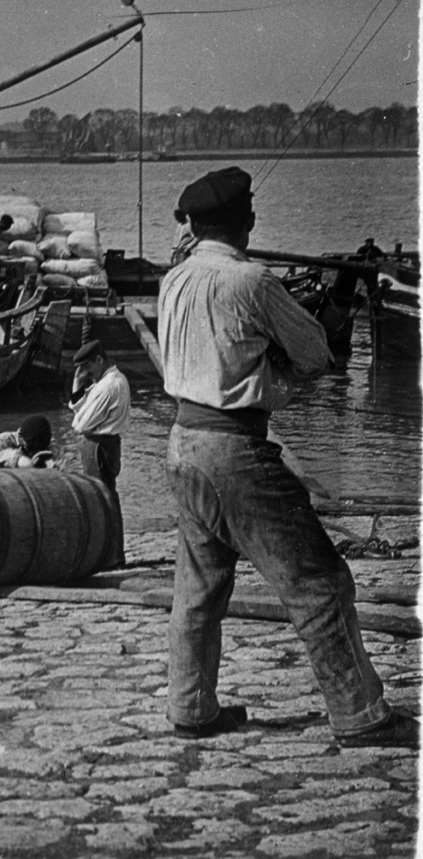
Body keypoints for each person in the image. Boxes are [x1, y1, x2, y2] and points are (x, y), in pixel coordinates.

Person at [157, 165, 418, 748]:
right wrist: (278, 360)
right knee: (320, 582)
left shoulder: (173, 279)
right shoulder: (252, 281)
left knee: (198, 588)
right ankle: (360, 715)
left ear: (196, 226)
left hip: (183, 443)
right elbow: (318, 353)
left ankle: (190, 707)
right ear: (246, 221)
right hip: (233, 448)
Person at [68, 339, 130, 567]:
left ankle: (110, 556)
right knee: (106, 497)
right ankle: (113, 554)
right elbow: (77, 407)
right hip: (104, 444)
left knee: (101, 499)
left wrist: (80, 411)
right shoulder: (108, 381)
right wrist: (77, 383)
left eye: (87, 367)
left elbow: (80, 423)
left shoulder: (108, 386)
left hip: (99, 445)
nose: (86, 373)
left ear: (99, 360)